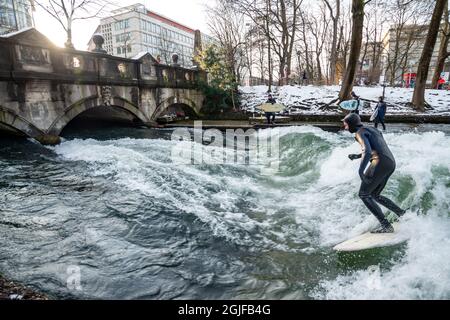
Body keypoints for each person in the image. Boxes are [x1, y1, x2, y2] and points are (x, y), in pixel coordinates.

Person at [343, 113, 406, 233]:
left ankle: (386, 226)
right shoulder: (373, 129)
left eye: (346, 125)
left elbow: (367, 151)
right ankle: (401, 213)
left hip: (379, 163)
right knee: (374, 195)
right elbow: (377, 148)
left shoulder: (359, 133)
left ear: (351, 124)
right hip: (390, 162)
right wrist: (357, 156)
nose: (345, 128)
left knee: (364, 194)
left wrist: (361, 171)